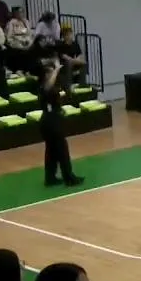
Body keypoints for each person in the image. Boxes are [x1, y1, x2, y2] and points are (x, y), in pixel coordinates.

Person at [38, 55, 83, 187]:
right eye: (50, 72)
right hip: (50, 122)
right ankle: (69, 178)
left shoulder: (51, 87)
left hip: (51, 120)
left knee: (51, 151)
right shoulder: (44, 86)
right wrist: (56, 69)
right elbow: (49, 85)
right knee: (62, 150)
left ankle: (50, 178)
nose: (53, 74)